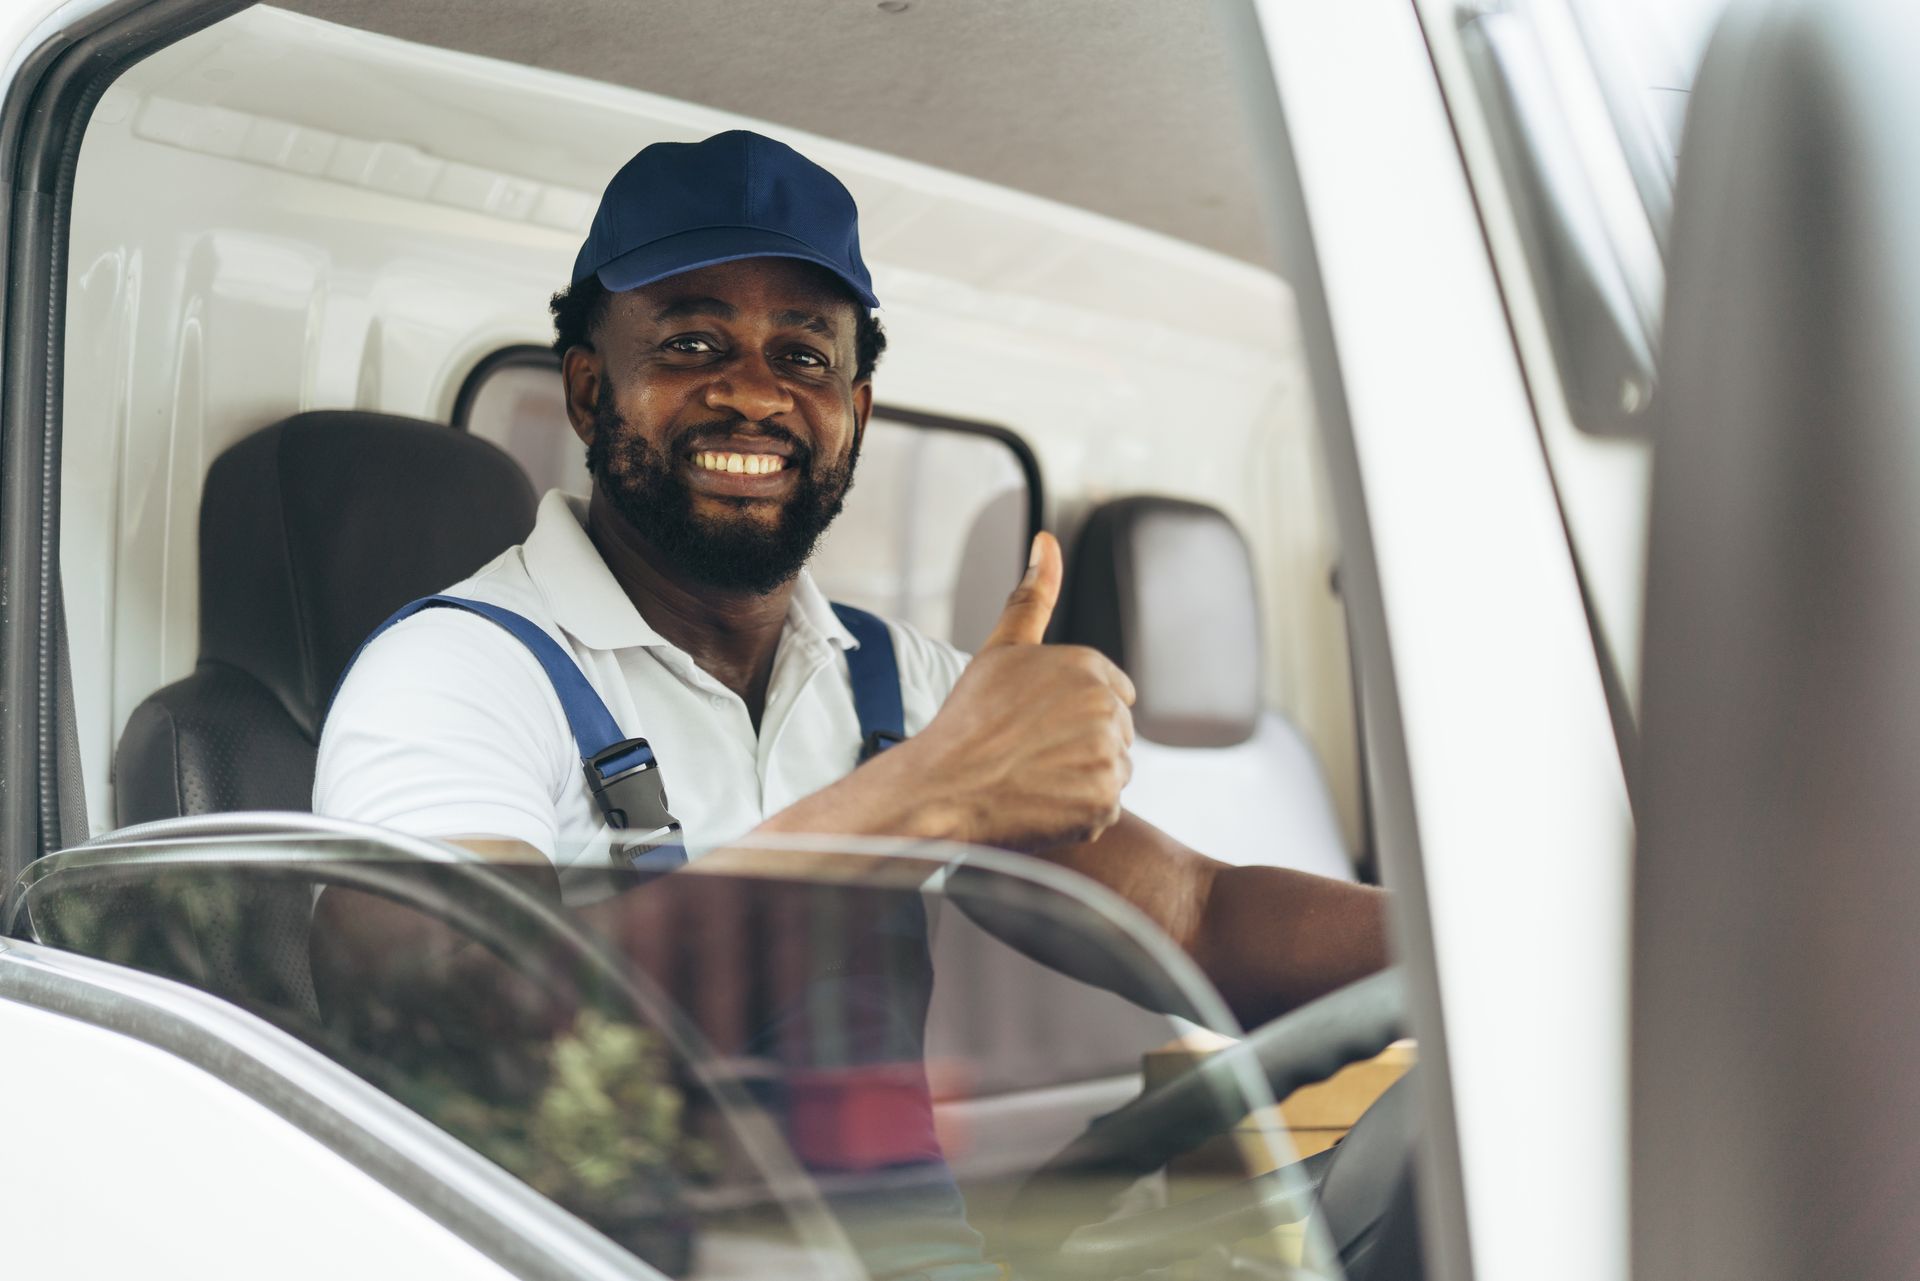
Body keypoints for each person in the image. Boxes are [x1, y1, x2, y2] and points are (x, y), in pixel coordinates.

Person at [315, 128, 1386, 1033]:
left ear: (856, 414)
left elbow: (1197, 918)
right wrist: (927, 796)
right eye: (693, 342)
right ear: (591, 395)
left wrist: (1486, 960)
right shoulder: (456, 674)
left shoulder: (904, 687)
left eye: (804, 356)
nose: (754, 394)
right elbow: (442, 1016)